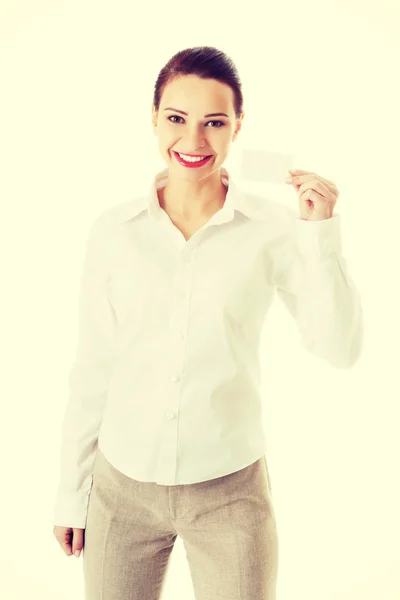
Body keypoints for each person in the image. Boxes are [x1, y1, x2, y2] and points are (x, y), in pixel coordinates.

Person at [52, 46, 363, 600]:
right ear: (154, 120)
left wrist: (320, 236)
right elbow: (93, 368)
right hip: (120, 490)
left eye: (214, 123)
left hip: (230, 492)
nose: (193, 141)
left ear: (238, 127)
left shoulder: (273, 228)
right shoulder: (113, 231)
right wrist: (70, 495)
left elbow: (339, 348)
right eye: (177, 119)